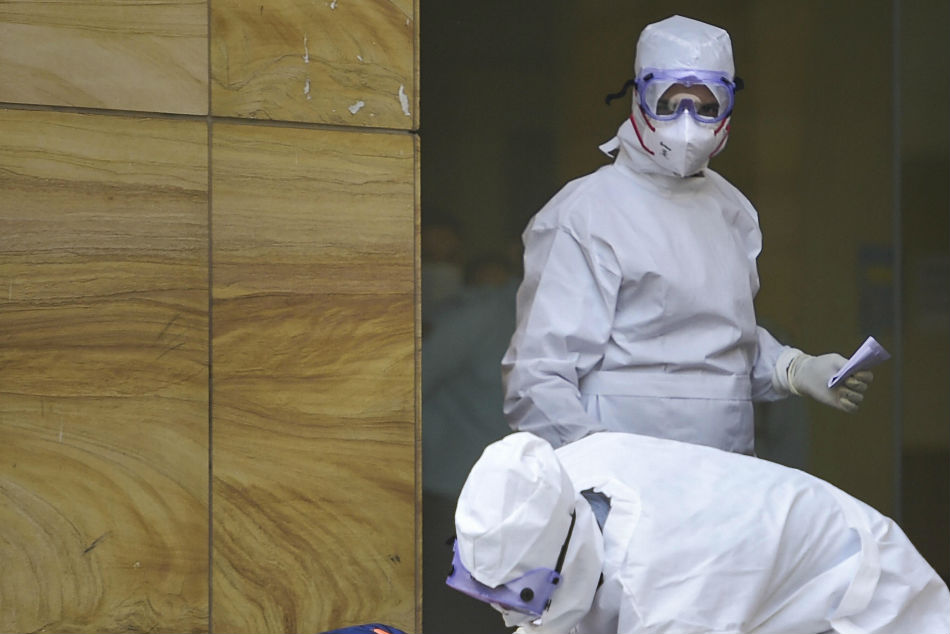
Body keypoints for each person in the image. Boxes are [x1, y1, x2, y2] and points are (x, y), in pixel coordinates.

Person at [501, 15, 873, 452]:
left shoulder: (731, 209)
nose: (687, 122)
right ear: (639, 98)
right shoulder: (585, 212)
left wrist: (794, 368)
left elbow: (723, 350)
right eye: (670, 103)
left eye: (706, 107)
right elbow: (537, 378)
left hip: (724, 467)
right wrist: (595, 464)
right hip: (623, 473)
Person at [449, 432, 950, 634]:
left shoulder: (671, 596)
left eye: (521, 595)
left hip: (857, 600)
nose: (504, 613)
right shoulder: (552, 480)